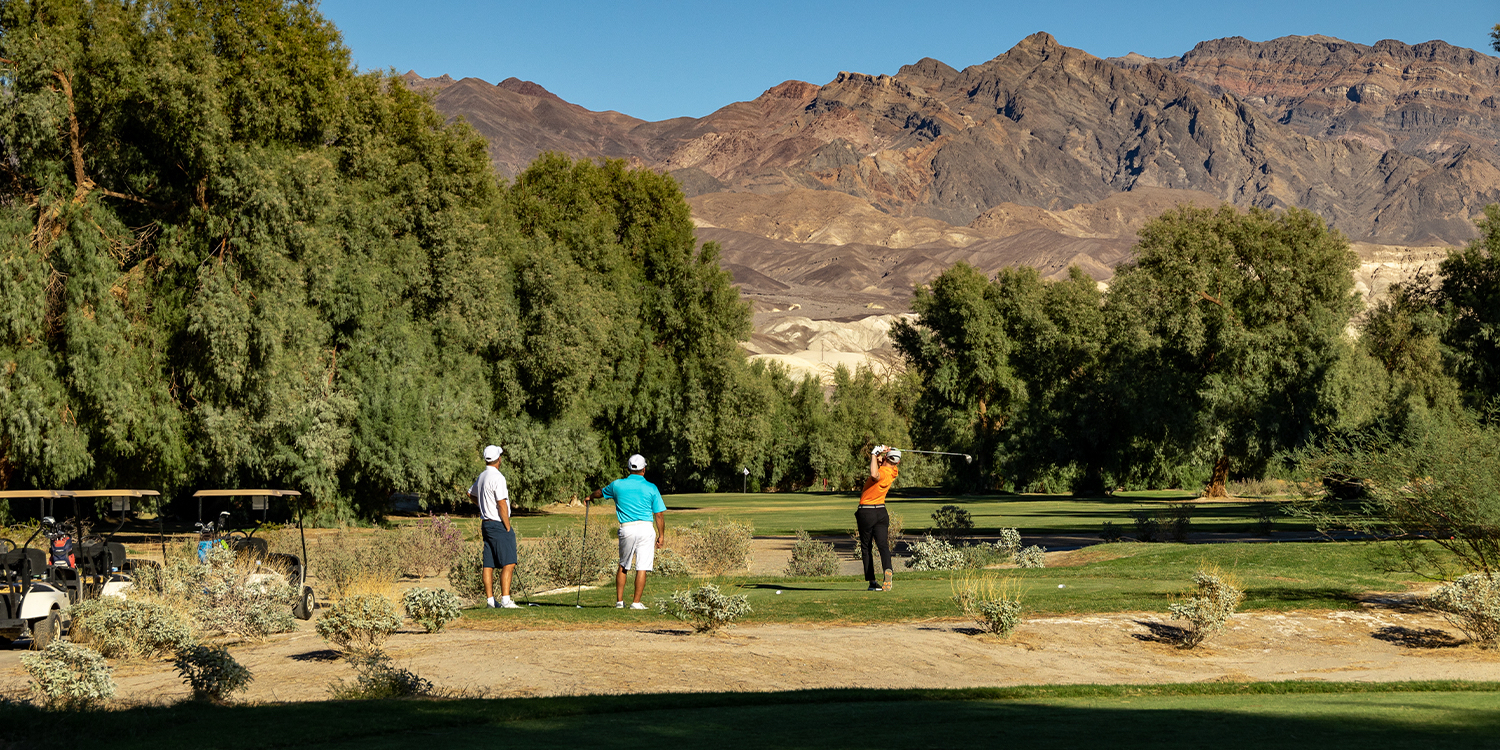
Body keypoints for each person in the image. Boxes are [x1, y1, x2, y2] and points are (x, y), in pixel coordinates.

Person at [586, 453, 666, 610]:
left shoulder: (617, 485)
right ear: (644, 470)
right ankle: (636, 603)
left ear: (628, 469)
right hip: (645, 528)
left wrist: (590, 497)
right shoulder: (651, 487)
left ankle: (619, 602)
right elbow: (659, 514)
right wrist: (661, 535)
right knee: (641, 567)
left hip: (627, 528)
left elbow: (600, 492)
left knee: (623, 565)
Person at [467, 444, 518, 608]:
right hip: (498, 523)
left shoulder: (482, 476)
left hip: (486, 524)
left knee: (488, 564)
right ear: (498, 459)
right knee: (509, 562)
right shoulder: (498, 477)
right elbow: (502, 503)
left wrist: (482, 506)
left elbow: (470, 493)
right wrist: (507, 526)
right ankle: (505, 600)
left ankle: (490, 601)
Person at [858, 445, 901, 592]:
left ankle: (872, 581)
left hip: (867, 512)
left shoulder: (881, 473)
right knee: (883, 545)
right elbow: (883, 462)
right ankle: (887, 569)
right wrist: (879, 455)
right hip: (881, 512)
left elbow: (874, 474)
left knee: (866, 547)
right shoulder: (893, 472)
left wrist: (873, 454)